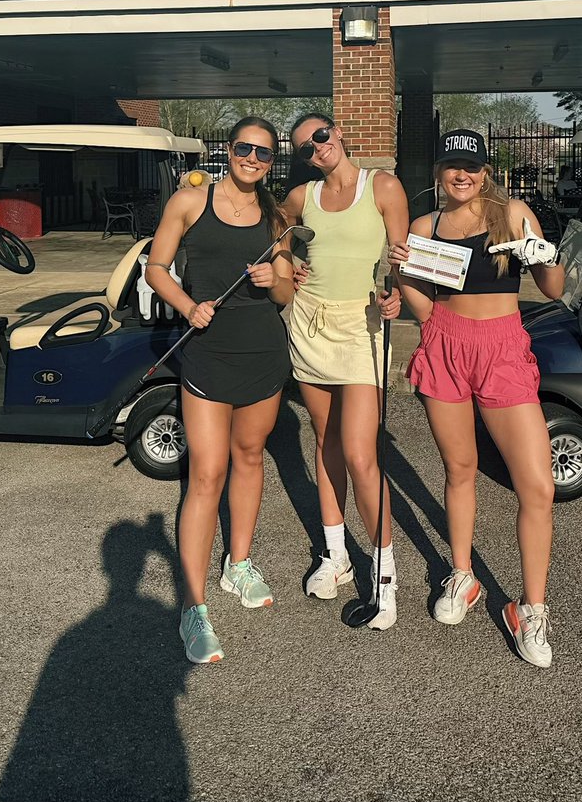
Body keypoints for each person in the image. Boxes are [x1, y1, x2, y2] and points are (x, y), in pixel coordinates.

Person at [390, 129, 565, 667]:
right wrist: (403, 279)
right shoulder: (426, 226)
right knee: (459, 468)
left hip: (503, 350)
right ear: (439, 172)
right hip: (446, 344)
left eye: (470, 166)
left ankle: (530, 609)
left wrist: (541, 251)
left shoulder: (513, 215)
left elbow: (554, 289)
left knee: (537, 486)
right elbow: (421, 300)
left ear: (485, 171)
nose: (460, 175)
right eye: (451, 166)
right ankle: (462, 576)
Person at [146, 117, 295, 664]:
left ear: (271, 162)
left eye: (263, 153)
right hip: (207, 353)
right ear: (227, 150)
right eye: (243, 148)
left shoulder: (275, 217)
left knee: (250, 456)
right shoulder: (190, 203)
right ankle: (193, 607)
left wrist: (272, 280)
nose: (252, 158)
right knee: (206, 473)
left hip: (262, 353)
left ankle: (238, 564)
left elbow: (284, 294)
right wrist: (187, 306)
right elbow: (156, 270)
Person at [282, 113, 408, 630]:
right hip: (310, 323)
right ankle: (334, 557)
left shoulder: (383, 186)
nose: (316, 149)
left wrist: (397, 290)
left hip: (362, 326)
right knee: (324, 441)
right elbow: (280, 241)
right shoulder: (300, 197)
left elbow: (402, 258)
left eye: (320, 136)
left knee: (360, 453)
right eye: (304, 148)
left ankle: (384, 575)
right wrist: (292, 262)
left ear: (339, 133)